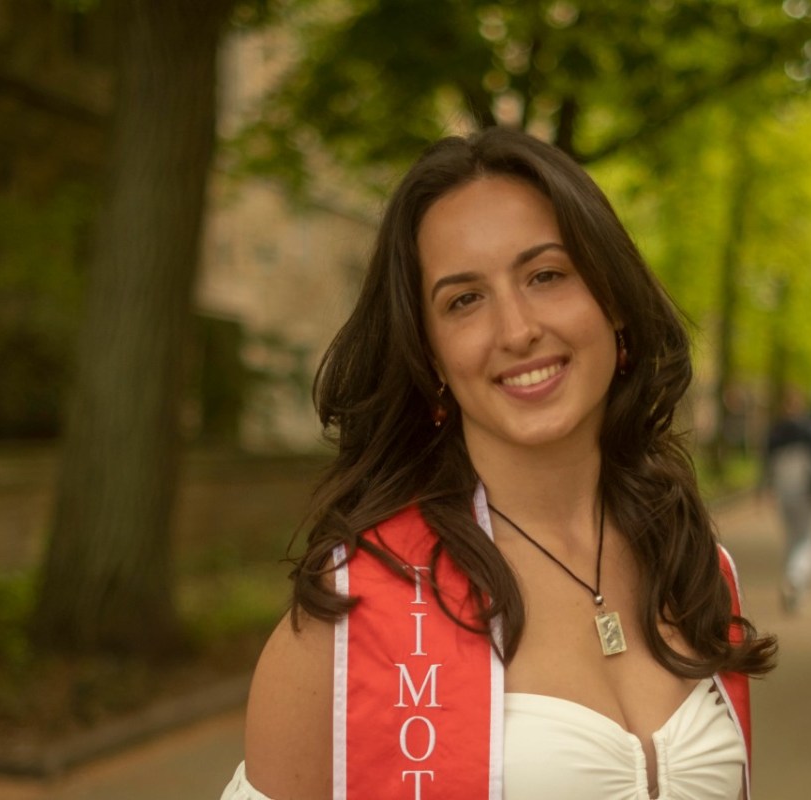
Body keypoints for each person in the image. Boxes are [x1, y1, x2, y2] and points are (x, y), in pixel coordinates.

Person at [221, 127, 777, 800]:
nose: (516, 330)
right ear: (432, 360)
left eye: (546, 275)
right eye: (464, 300)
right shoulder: (353, 612)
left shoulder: (694, 568)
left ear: (615, 306)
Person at [761, 387, 811, 615]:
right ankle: (796, 579)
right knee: (809, 540)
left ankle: (795, 586)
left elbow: (766, 465)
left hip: (783, 494)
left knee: (791, 539)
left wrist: (762, 490)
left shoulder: (775, 432)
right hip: (805, 494)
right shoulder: (809, 431)